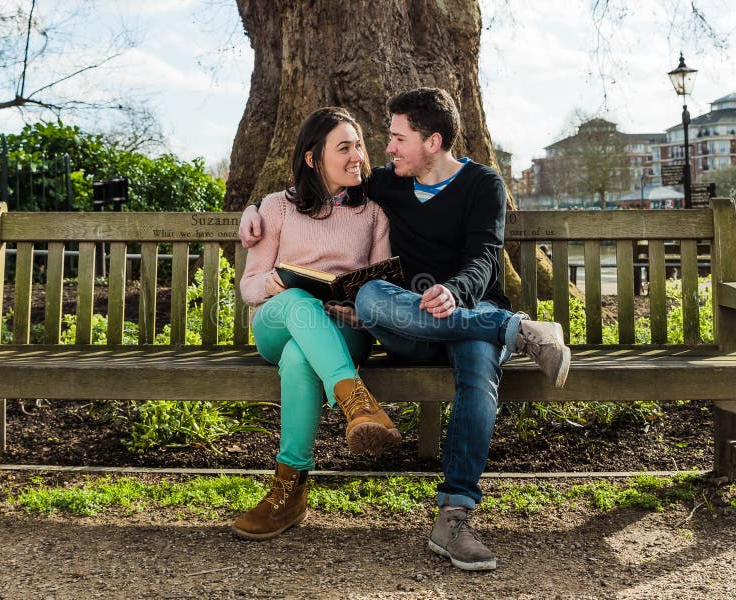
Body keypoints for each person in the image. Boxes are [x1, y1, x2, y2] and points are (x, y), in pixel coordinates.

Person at [238, 88, 571, 570]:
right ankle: (512, 332)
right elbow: (281, 233)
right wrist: (255, 216)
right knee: (337, 299)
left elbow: (480, 257)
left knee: (460, 361)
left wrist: (450, 291)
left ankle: (450, 515)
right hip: (345, 318)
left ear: (432, 142)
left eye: (391, 139)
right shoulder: (365, 188)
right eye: (352, 146)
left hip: (439, 315)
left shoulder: (454, 188)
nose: (378, 151)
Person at [232, 106, 401, 541]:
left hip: (343, 330)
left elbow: (381, 289)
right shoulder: (276, 208)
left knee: (299, 357)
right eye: (344, 147)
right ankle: (355, 401)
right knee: (299, 302)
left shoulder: (374, 213)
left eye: (359, 145)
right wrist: (271, 284)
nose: (356, 156)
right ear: (312, 158)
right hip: (279, 319)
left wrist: (359, 310)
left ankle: (288, 491)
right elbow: (248, 286)